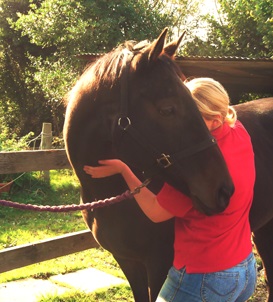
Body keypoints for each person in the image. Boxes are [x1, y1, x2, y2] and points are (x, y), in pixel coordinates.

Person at [84, 77, 256, 302]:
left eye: (193, 118)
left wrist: (124, 170)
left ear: (215, 120)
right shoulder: (239, 133)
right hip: (244, 269)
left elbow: (156, 212)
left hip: (204, 277)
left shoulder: (198, 170)